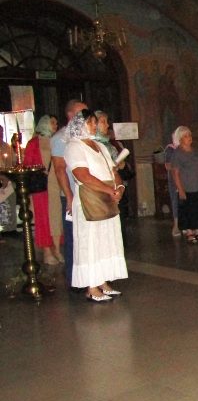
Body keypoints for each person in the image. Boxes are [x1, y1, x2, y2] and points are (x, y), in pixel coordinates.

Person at [64, 109, 127, 302]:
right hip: (89, 198)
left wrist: (119, 188)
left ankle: (103, 281)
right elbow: (82, 175)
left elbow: (113, 171)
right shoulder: (74, 146)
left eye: (94, 122)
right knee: (90, 242)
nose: (94, 126)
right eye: (90, 122)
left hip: (107, 197)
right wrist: (108, 190)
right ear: (80, 125)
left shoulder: (100, 145)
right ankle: (91, 286)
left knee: (106, 240)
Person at [51, 99, 87, 290]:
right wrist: (69, 195)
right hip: (72, 193)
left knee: (88, 237)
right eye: (82, 113)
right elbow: (59, 169)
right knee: (73, 237)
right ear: (71, 115)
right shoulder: (60, 138)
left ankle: (91, 276)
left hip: (88, 194)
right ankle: (74, 279)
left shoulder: (86, 135)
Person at [24, 114, 62, 264]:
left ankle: (57, 249)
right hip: (41, 187)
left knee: (56, 218)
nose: (55, 126)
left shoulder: (57, 140)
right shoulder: (34, 143)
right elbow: (28, 164)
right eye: (53, 123)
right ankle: (47, 252)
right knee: (43, 219)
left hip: (56, 185)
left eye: (56, 123)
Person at [170, 126, 198, 244]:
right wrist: (180, 189)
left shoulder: (196, 151)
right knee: (188, 211)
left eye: (190, 135)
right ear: (180, 139)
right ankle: (189, 233)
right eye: (186, 136)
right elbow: (175, 173)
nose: (189, 138)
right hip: (187, 187)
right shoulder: (177, 153)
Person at [0, 125, 17, 239]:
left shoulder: (7, 147)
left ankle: (10, 228)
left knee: (10, 202)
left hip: (8, 179)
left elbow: (13, 162)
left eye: (1, 132)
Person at [164, 131, 181, 236]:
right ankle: (176, 226)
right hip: (174, 179)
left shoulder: (185, 148)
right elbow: (168, 165)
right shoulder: (170, 149)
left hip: (186, 179)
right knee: (176, 201)